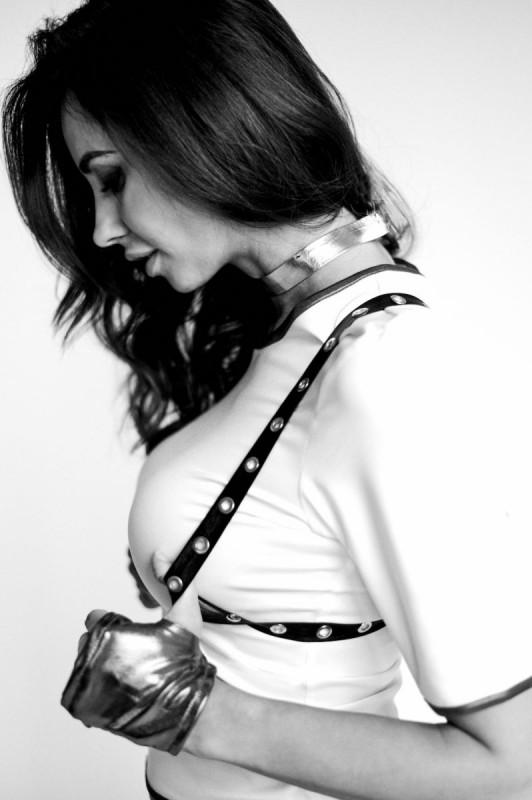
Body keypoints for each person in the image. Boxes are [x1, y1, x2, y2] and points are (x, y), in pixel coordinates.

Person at [3, 1, 531, 798]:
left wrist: (194, 713)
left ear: (202, 130)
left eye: (111, 179)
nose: (103, 229)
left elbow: (512, 760)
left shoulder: (387, 369)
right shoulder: (298, 331)